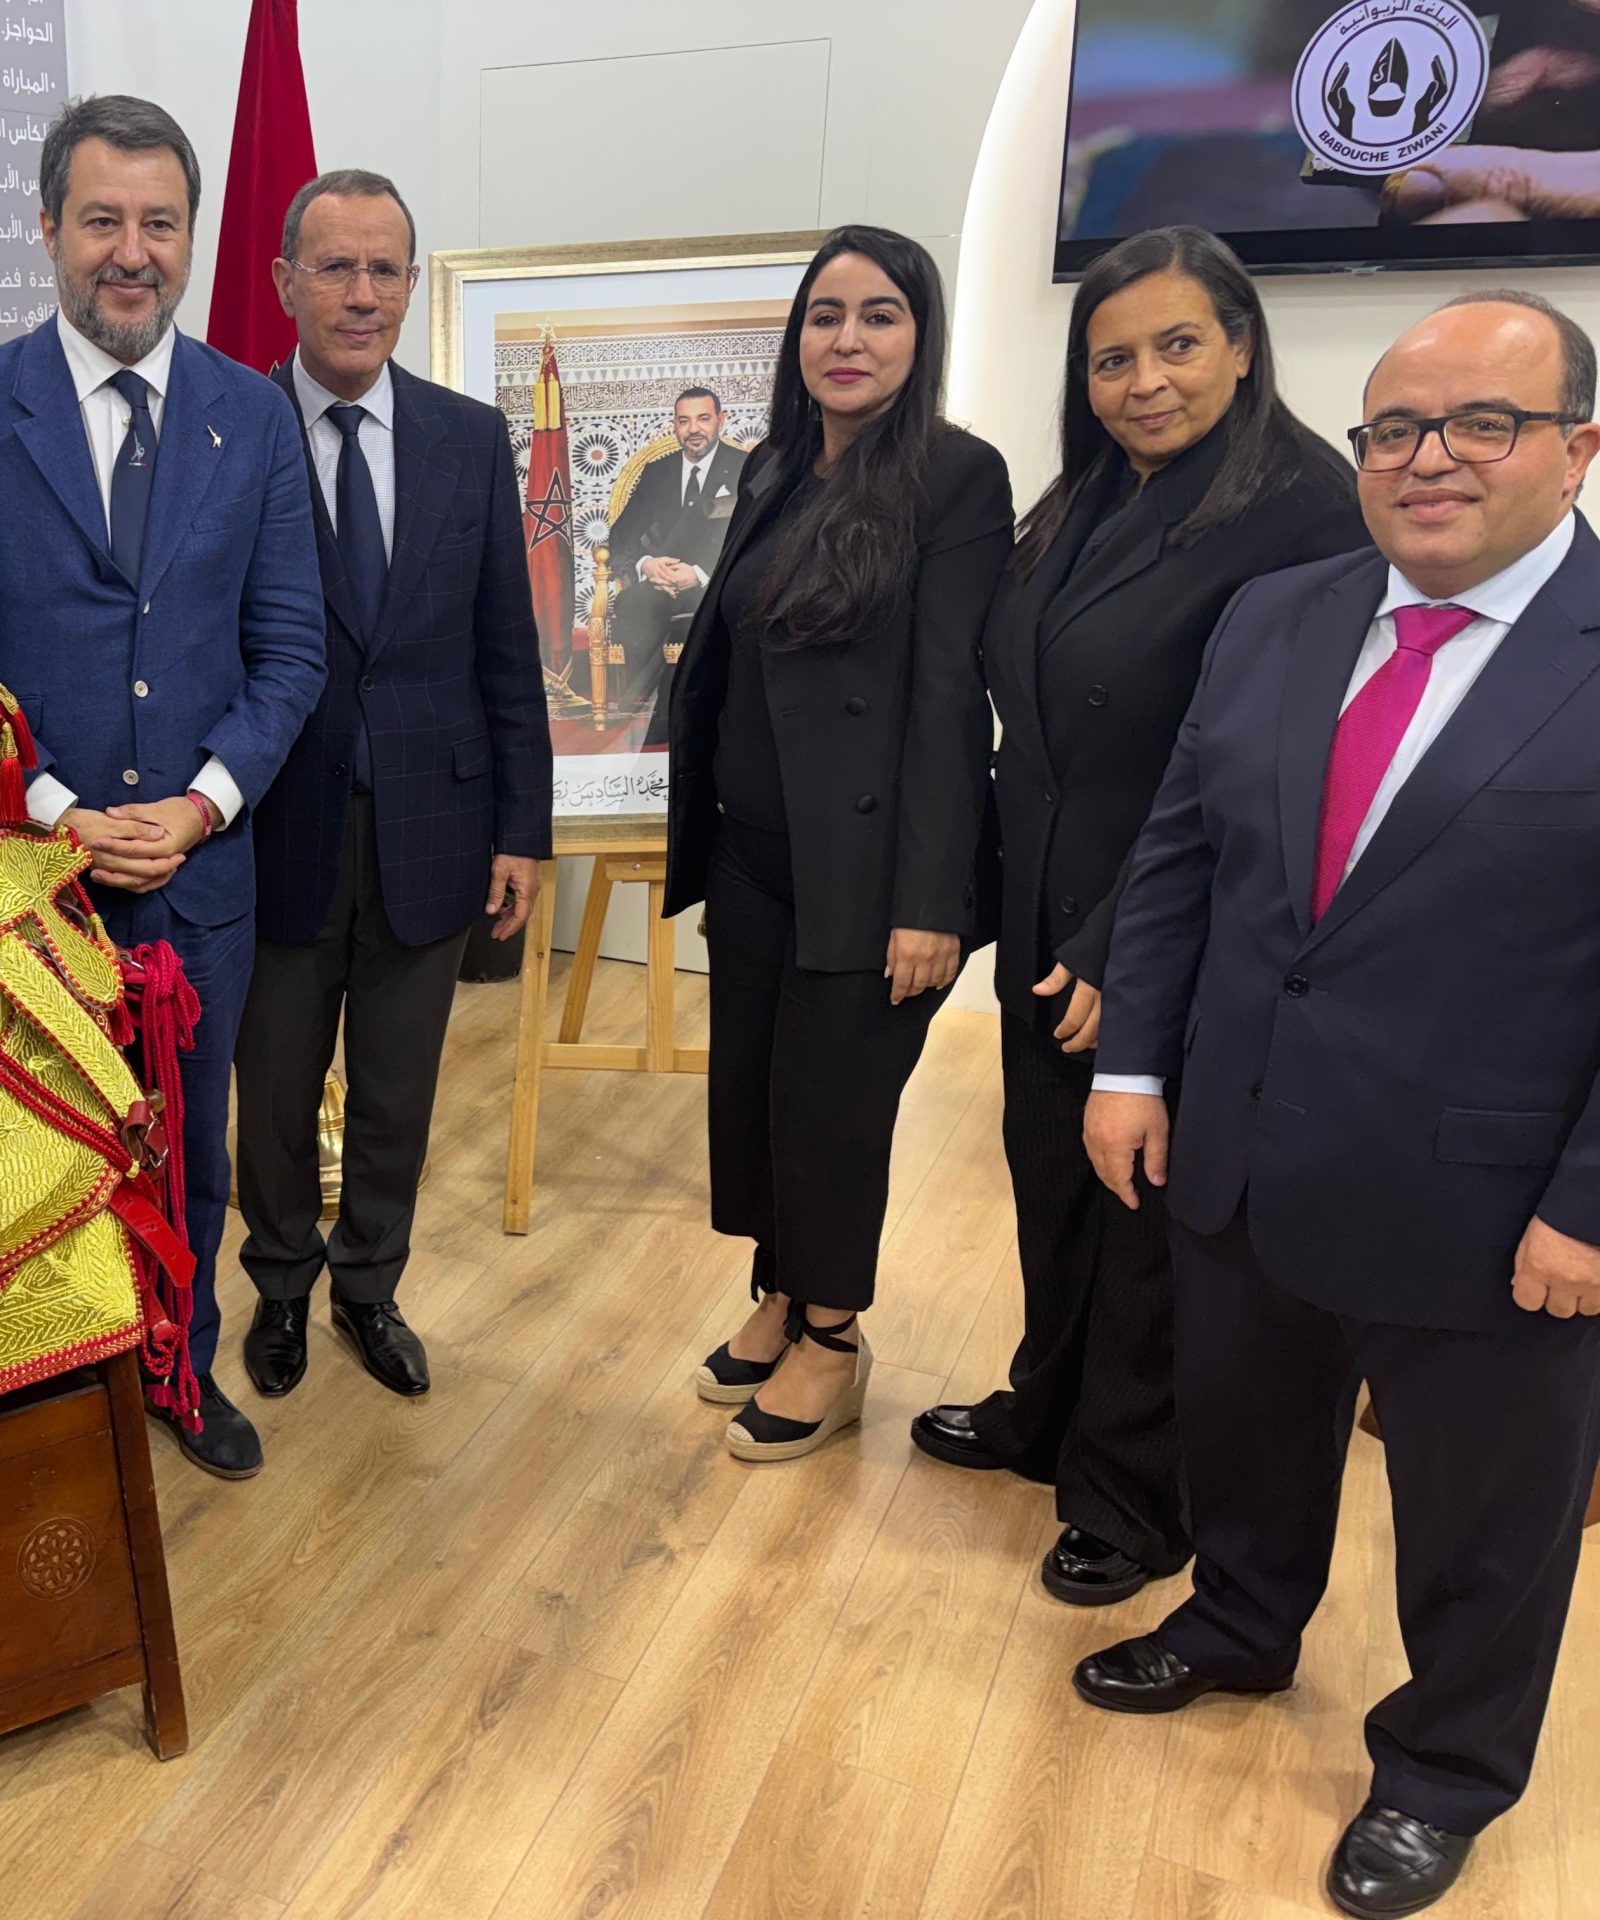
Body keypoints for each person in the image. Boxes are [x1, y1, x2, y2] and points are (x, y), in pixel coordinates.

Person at [1076, 290, 1600, 1920]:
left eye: (1484, 424)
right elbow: (1178, 856)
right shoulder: (1276, 616)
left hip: (1495, 1201)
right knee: (1245, 1428)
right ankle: (1240, 1623)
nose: (1430, 460)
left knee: (1484, 1515)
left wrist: (1594, 1203)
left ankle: (1444, 1768)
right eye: (1396, 428)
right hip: (1241, 1144)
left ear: (1579, 449)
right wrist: (1133, 1065)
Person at [908, 227, 1367, 1606]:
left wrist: (1123, 951)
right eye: (1112, 359)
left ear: (1241, 344)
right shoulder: (1094, 490)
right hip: (1047, 910)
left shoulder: (1311, 512)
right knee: (1052, 1185)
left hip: (1178, 933)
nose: (1143, 383)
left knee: (1146, 1226)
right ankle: (1047, 1409)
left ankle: (1134, 1492)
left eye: (1177, 347)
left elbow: (1259, 770)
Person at [0, 95, 327, 1481]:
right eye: (102, 221)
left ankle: (179, 1369)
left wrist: (200, 805)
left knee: (189, 1149)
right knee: (29, 1149)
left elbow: (289, 649)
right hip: (26, 879)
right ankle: (52, 1398)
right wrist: (55, 808)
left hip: (200, 878)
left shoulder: (253, 417)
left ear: (191, 239)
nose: (131, 253)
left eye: (159, 224)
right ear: (48, 229)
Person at [663, 225, 1012, 1463]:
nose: (846, 339)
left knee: (833, 1110)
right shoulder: (776, 465)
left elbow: (949, 695)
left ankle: (832, 1336)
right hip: (756, 852)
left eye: (878, 315)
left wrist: (929, 900)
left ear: (919, 336)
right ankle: (780, 1288)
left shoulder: (956, 477)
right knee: (759, 1093)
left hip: (870, 875)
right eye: (825, 315)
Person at [232, 170, 551, 1405]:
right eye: (335, 267)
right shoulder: (229, 430)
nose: (360, 294)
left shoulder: (468, 439)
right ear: (285, 282)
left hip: (436, 826)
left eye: (383, 270)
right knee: (274, 1087)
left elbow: (505, 649)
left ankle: (369, 1286)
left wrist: (522, 828)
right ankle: (278, 1285)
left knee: (398, 1089)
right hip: (276, 826)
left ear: (411, 286)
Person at [608, 387, 747, 720]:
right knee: (632, 603)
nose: (693, 429)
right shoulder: (657, 472)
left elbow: (754, 537)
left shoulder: (744, 467)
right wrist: (647, 565)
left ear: (721, 420)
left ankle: (716, 712)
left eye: (703, 419)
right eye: (684, 421)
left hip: (718, 584)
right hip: (660, 585)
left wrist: (700, 574)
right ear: (674, 425)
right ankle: (647, 712)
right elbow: (619, 538)